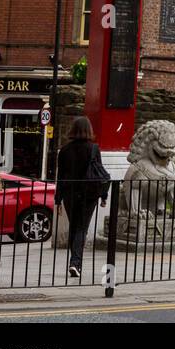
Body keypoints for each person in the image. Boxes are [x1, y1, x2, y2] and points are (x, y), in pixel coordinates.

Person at [55, 115, 107, 279]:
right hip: (88, 194)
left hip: (69, 193)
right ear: (89, 130)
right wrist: (103, 195)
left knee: (75, 226)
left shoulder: (64, 150)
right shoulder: (93, 148)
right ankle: (75, 263)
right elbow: (100, 172)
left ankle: (74, 262)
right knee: (81, 228)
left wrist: (58, 199)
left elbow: (61, 176)